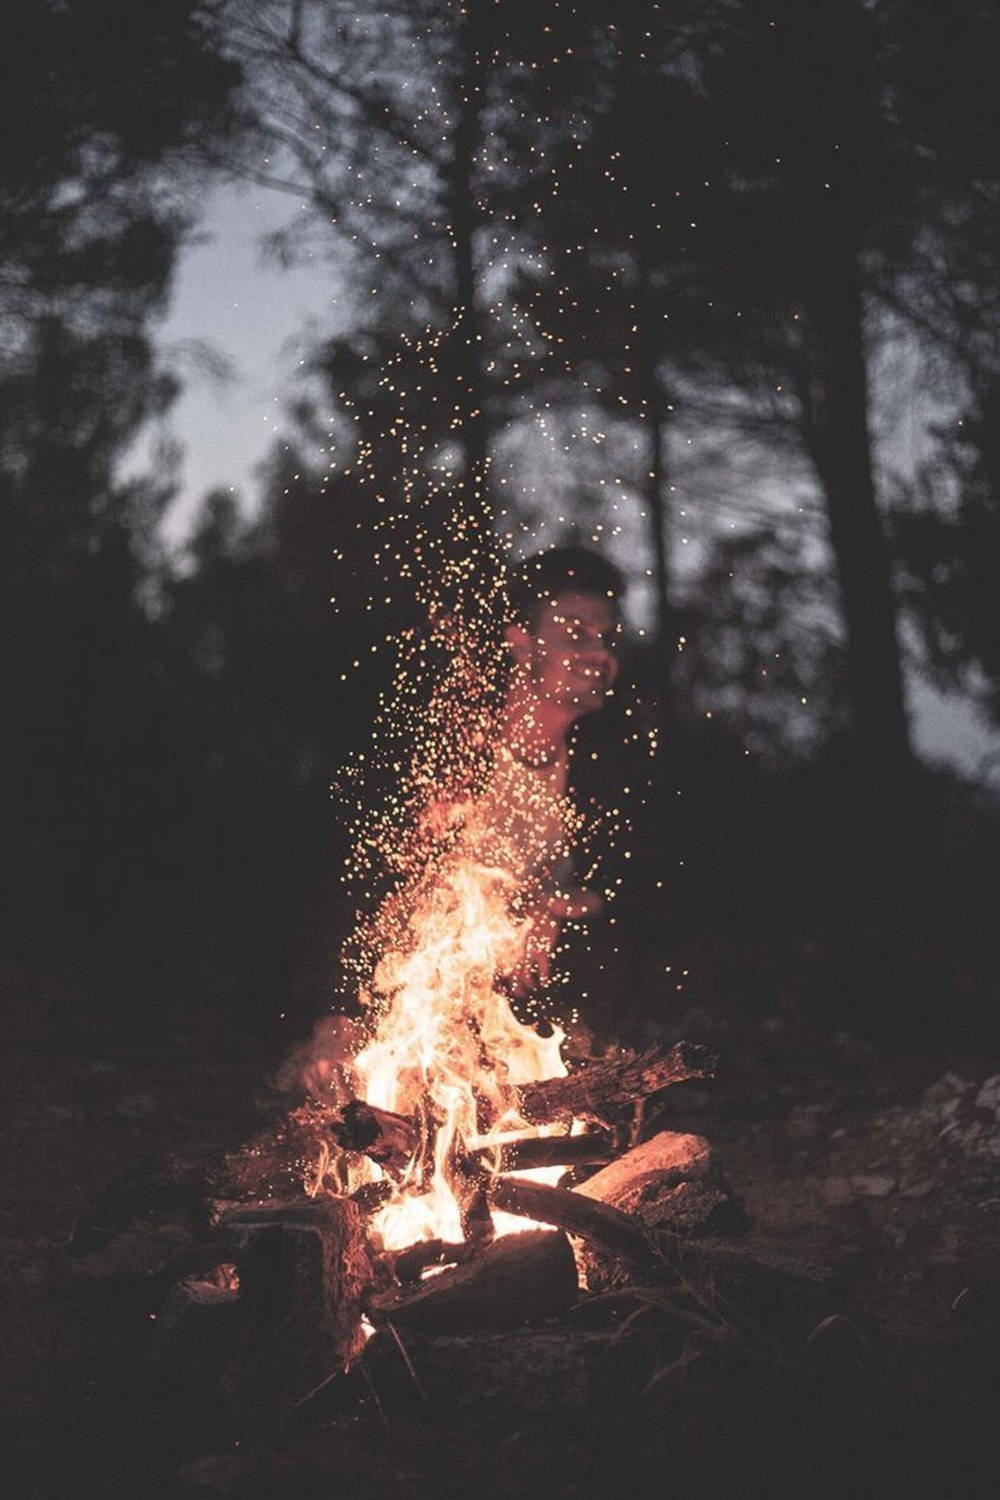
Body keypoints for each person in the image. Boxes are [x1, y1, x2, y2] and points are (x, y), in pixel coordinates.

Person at [485, 545, 625, 994]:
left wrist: (580, 904)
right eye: (577, 633)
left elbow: (653, 889)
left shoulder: (612, 764)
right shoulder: (449, 745)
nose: (600, 653)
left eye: (609, 637)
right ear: (522, 644)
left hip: (539, 1009)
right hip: (431, 994)